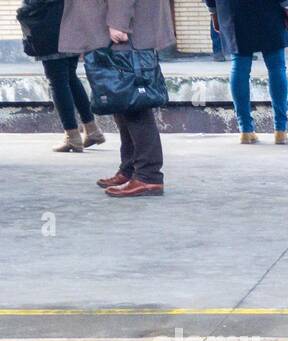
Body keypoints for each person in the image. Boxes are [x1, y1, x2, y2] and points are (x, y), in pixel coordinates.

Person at [58, 0, 173, 197]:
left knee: (134, 103)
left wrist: (119, 22)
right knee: (120, 98)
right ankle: (130, 169)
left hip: (125, 25)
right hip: (118, 22)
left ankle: (149, 176)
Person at [17, 0, 105, 152]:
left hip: (52, 28)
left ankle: (72, 136)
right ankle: (92, 130)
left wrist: (23, 12)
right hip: (72, 27)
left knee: (58, 82)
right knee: (70, 78)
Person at [207, 0, 288, 144]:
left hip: (233, 9)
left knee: (239, 67)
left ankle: (245, 131)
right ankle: (281, 131)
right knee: (276, 67)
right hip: (268, 8)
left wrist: (213, 10)